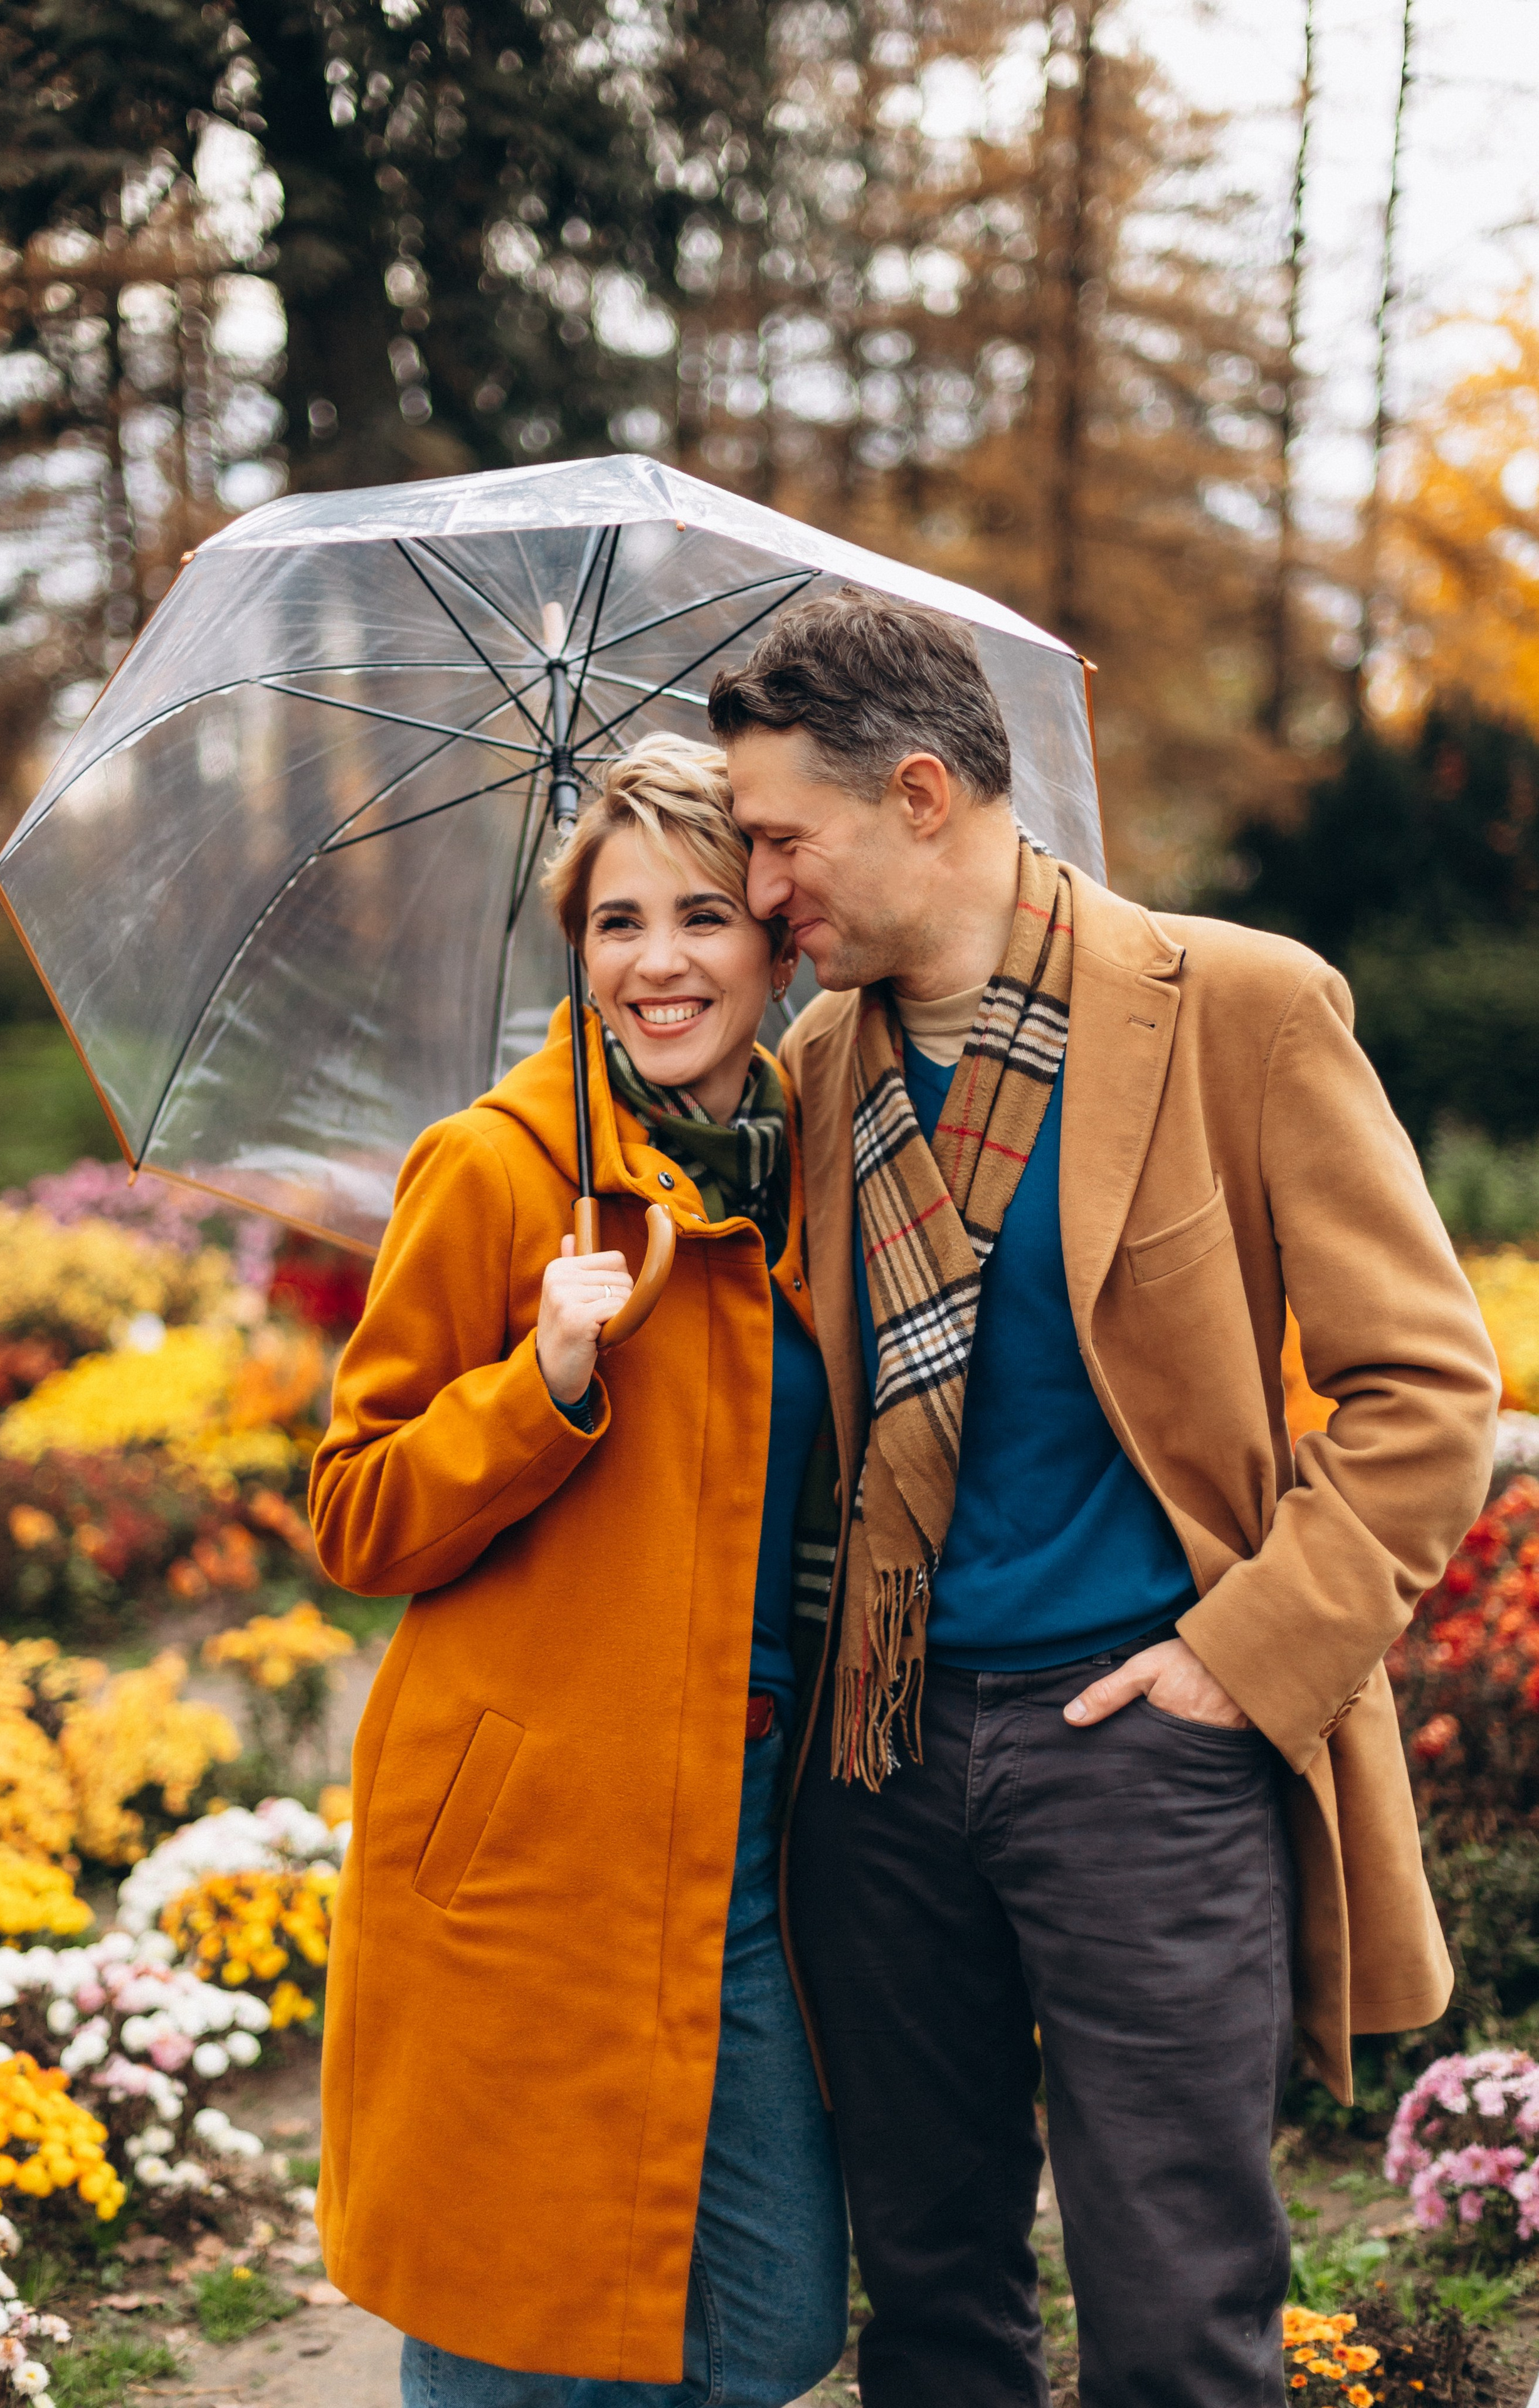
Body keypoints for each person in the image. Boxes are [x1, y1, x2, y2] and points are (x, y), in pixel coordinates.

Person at [705, 589, 1501, 2408]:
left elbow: (1429, 1391)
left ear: (919, 795)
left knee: (1179, 2309)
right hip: (881, 1763)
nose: (760, 893)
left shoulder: (1238, 1007)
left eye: (776, 841)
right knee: (929, 2299)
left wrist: (1237, 1662)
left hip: (1143, 1745)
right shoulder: (818, 1067)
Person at [307, 734, 849, 2408]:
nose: (661, 961)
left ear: (778, 942)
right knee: (514, 2314)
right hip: (538, 1845)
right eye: (618, 923)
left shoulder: (825, 1165)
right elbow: (356, 1511)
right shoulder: (499, 1170)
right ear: (578, 949)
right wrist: (541, 1388)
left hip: (756, 1840)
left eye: (702, 914)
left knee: (771, 2321)